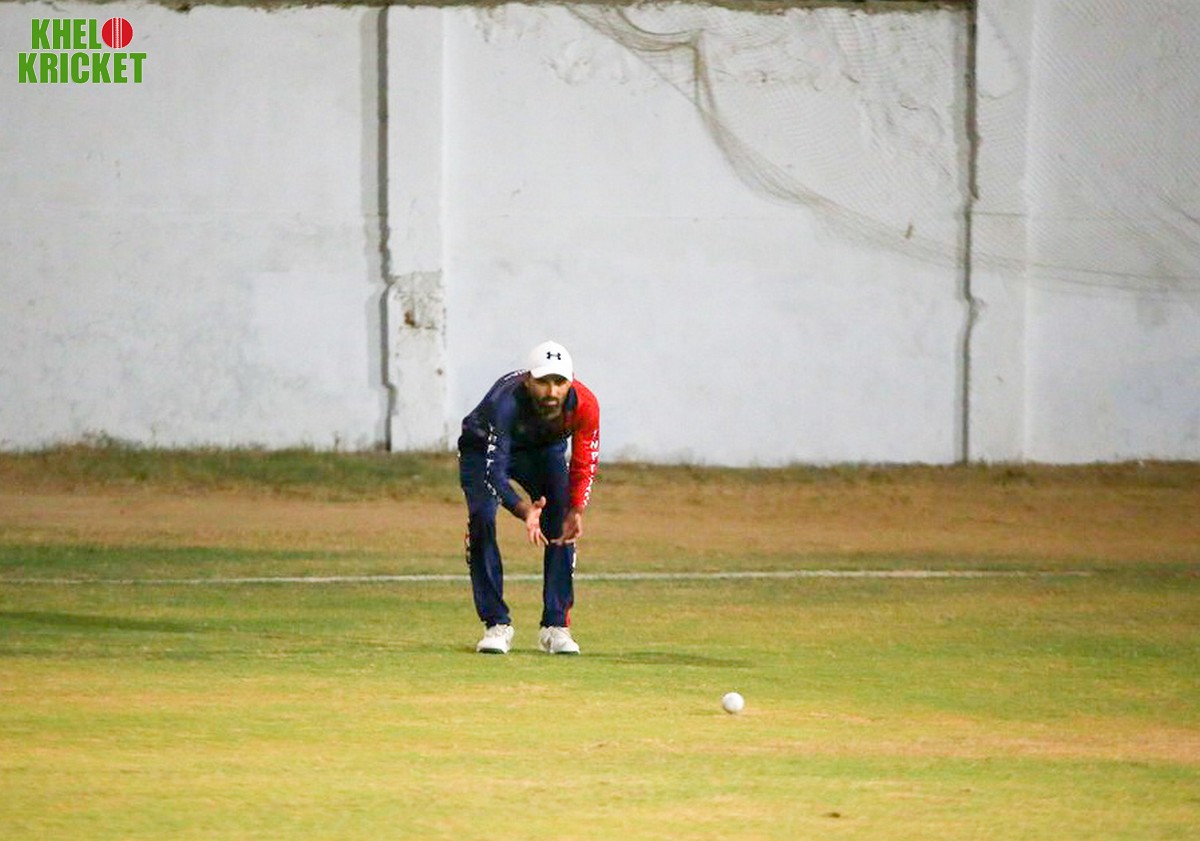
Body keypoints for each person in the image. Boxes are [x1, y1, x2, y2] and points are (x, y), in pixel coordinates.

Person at [457, 340, 600, 655]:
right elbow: (495, 471)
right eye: (543, 382)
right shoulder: (504, 404)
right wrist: (524, 510)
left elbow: (584, 462)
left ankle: (556, 626)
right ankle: (496, 624)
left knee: (562, 522)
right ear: (528, 381)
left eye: (559, 382)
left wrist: (577, 509)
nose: (552, 391)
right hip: (482, 447)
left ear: (571, 381)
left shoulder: (585, 404)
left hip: (543, 451)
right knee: (482, 518)